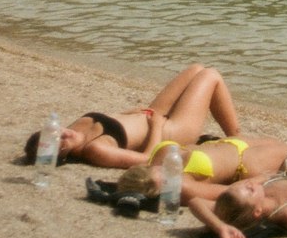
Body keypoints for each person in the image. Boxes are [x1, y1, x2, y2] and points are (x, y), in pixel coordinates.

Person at [24, 64, 243, 171]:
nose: (62, 133)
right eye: (59, 141)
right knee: (210, 75)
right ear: (61, 154)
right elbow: (149, 159)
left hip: (150, 114)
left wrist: (128, 113)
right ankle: (238, 139)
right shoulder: (95, 150)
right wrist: (157, 127)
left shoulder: (74, 129)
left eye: (54, 132)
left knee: (195, 69)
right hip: (170, 130)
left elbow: (110, 124)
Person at [111, 132, 287, 207]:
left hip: (235, 145)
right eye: (163, 181)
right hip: (248, 164)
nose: (166, 173)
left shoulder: (157, 159)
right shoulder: (181, 187)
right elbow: (225, 194)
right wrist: (262, 180)